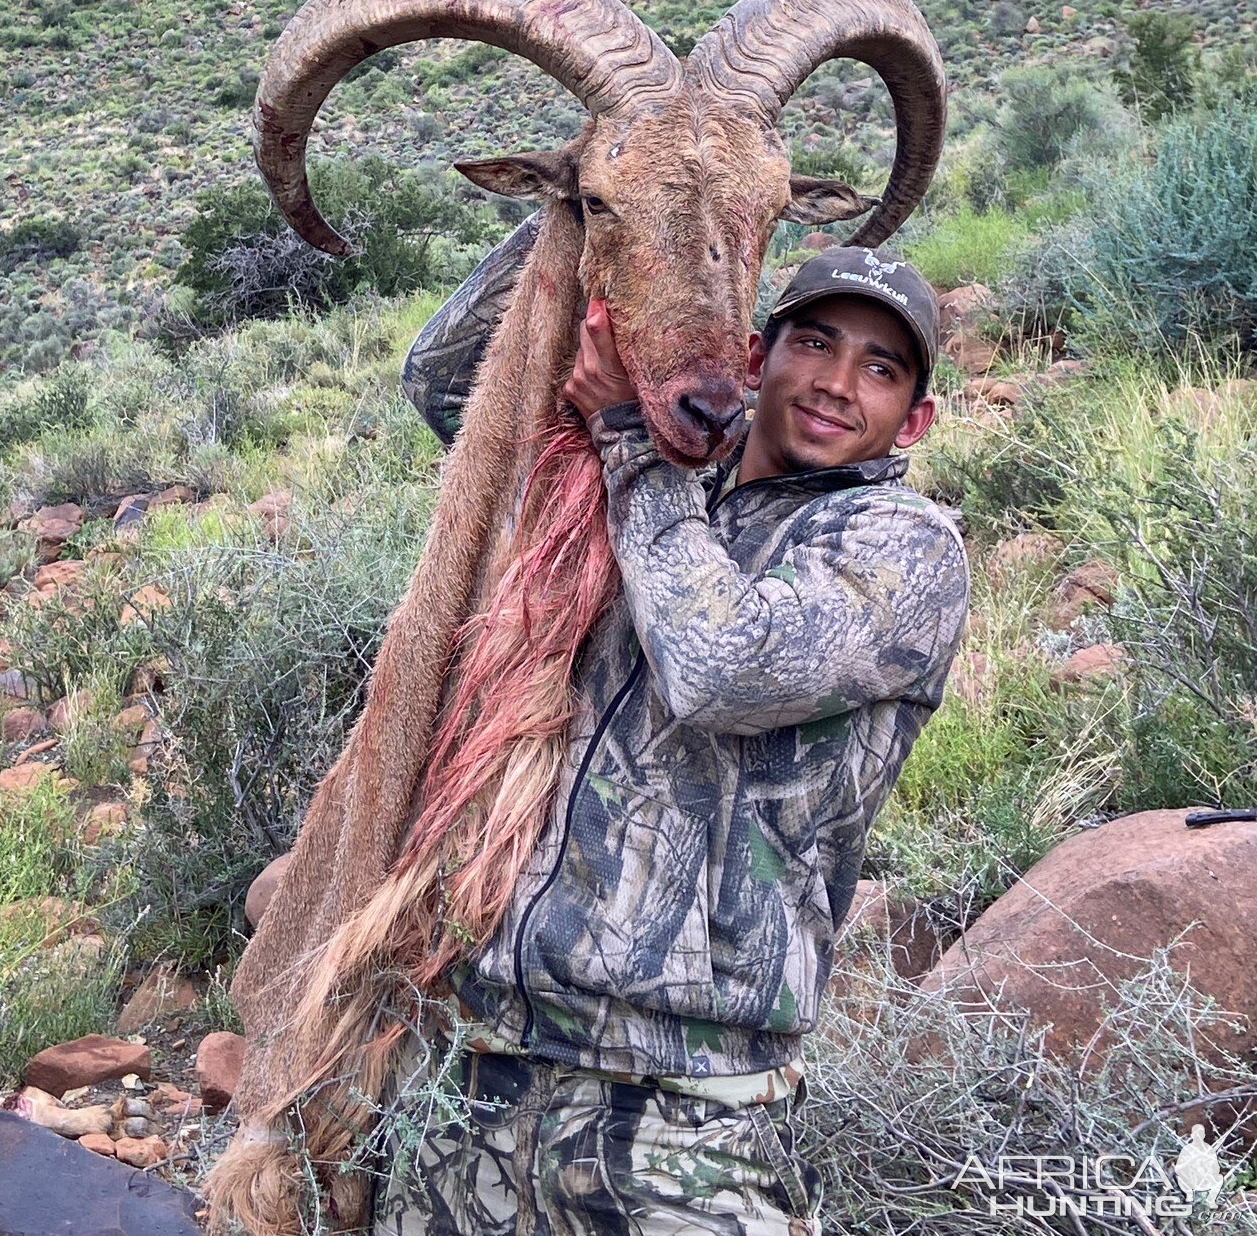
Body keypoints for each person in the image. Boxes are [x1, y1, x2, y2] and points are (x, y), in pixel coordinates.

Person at [378, 223, 970, 1236]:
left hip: (686, 1111)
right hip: (486, 1061)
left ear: (910, 421)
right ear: (755, 358)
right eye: (814, 343)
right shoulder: (655, 465)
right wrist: (593, 208)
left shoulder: (902, 550)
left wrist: (627, 446)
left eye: (879, 368)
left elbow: (721, 665)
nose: (836, 383)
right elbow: (448, 384)